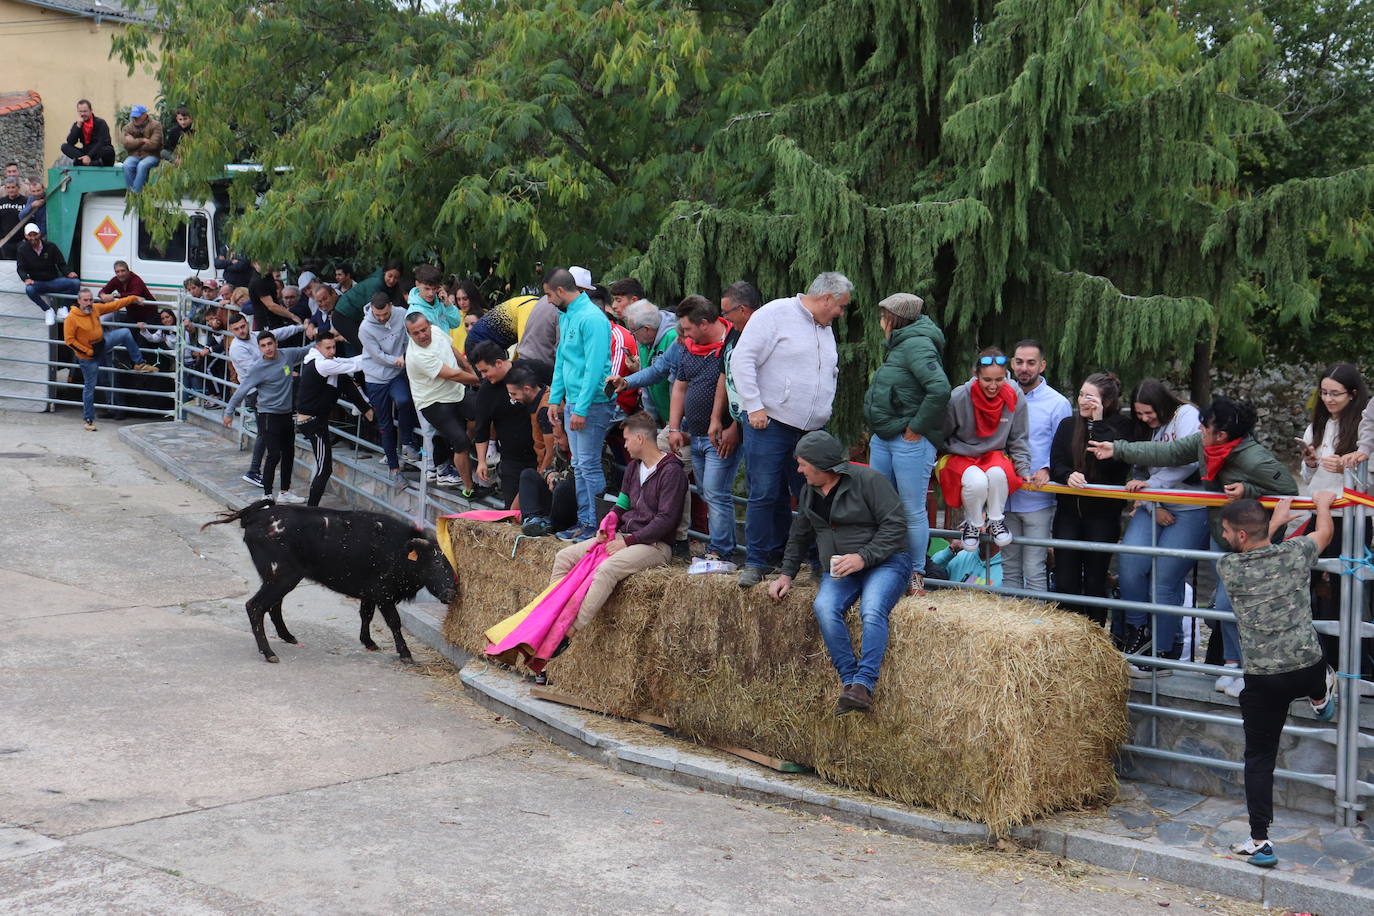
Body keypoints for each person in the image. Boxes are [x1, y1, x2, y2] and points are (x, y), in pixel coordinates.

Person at [1089, 397, 1299, 696]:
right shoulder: (1204, 445)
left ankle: (1247, 670)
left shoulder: (1255, 459)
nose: (1199, 428)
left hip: (1252, 542)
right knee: (1224, 606)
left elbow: (1289, 490)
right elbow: (1168, 451)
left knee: (1231, 604)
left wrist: (1248, 491)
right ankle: (1230, 665)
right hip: (1222, 532)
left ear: (1222, 434)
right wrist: (1118, 449)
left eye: (1205, 425)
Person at [1218, 493, 1339, 870]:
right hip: (1307, 668)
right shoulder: (1296, 553)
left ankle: (1260, 842)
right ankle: (1320, 696)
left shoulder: (1229, 568)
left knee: (1259, 759)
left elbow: (1253, 545)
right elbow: (1324, 532)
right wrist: (1321, 503)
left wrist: (1276, 521)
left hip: (1264, 681)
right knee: (1319, 667)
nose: (1223, 537)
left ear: (1238, 535)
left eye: (1225, 531)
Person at [767, 431, 909, 715]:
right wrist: (786, 575)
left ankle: (864, 683)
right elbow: (800, 534)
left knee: (872, 609)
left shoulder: (869, 481)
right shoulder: (809, 491)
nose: (798, 469)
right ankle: (850, 684)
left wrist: (863, 557)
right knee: (824, 605)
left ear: (821, 466)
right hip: (841, 569)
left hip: (886, 563)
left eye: (803, 464)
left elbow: (896, 527)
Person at [731, 272, 847, 587]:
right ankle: (756, 561)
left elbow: (828, 372)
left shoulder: (825, 328)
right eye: (839, 307)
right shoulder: (774, 314)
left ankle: (815, 561)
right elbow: (742, 359)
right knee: (765, 492)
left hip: (810, 429)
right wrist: (753, 405)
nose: (840, 313)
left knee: (811, 495)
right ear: (826, 299)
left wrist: (825, 409)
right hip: (769, 422)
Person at [546, 411, 687, 631]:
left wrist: (627, 542)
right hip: (625, 536)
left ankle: (568, 630)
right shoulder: (633, 467)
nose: (625, 445)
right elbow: (622, 503)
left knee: (607, 570)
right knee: (563, 557)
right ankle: (552, 612)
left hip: (655, 545)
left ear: (640, 438)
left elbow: (666, 520)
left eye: (627, 439)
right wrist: (610, 519)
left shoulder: (672, 472)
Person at [861, 292, 951, 596]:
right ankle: (884, 567)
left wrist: (916, 428)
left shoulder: (917, 344)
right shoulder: (901, 344)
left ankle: (915, 574)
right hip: (886, 437)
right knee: (879, 506)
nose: (879, 321)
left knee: (912, 510)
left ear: (893, 318)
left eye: (882, 315)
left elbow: (939, 389)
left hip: (907, 440)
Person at [1117, 379, 1206, 672]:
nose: (1144, 419)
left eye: (1149, 413)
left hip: (1190, 505)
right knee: (1130, 561)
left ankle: (1164, 648)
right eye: (1139, 414)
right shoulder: (1145, 426)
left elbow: (1188, 460)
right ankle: (1136, 630)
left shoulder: (1187, 416)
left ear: (1163, 404)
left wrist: (1153, 488)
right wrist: (1152, 502)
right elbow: (1140, 465)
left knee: (1164, 579)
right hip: (1153, 502)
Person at [1298, 363, 1372, 671]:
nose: (1328, 399)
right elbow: (1308, 475)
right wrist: (1311, 461)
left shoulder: (1364, 427)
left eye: (1336, 394)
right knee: (1313, 583)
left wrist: (1346, 466)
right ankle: (1320, 663)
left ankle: (1354, 665)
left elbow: (1367, 479)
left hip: (1351, 515)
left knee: (1346, 589)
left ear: (1353, 394)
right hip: (1319, 510)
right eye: (1324, 392)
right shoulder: (1320, 424)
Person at [1048, 372, 1134, 626]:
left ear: (1106, 402)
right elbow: (1056, 463)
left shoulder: (1122, 427)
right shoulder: (1067, 425)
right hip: (1068, 514)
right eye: (1081, 394)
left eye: (1090, 397)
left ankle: (1095, 637)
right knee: (1065, 579)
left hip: (1103, 516)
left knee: (1096, 580)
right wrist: (1067, 476)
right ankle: (1068, 636)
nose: (1083, 401)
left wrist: (1097, 424)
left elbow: (1114, 467)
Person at [661, 295, 739, 562]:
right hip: (695, 435)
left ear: (704, 323)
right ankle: (721, 548)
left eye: (688, 328)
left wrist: (733, 427)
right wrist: (674, 428)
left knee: (716, 492)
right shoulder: (689, 348)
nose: (685, 334)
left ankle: (720, 551)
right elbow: (679, 387)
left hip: (720, 435)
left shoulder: (731, 343)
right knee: (707, 492)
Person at [545, 267, 616, 542]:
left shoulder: (592, 319)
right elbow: (562, 359)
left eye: (550, 295)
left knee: (588, 464)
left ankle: (596, 525)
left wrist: (583, 408)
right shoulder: (567, 316)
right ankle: (586, 521)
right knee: (581, 465)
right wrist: (555, 399)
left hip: (592, 402)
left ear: (562, 291)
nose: (549, 301)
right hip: (575, 400)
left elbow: (595, 368)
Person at [939, 347, 1032, 550]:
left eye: (999, 380)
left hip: (994, 454)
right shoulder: (959, 397)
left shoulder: (1014, 394)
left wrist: (1024, 467)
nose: (993, 386)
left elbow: (1019, 436)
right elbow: (942, 433)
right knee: (977, 482)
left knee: (998, 474)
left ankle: (996, 520)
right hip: (962, 454)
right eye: (987, 380)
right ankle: (973, 522)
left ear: (1006, 376)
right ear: (976, 375)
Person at [1002, 340, 1072, 592]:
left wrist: (1049, 468)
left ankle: (1035, 628)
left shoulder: (1057, 403)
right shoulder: (1001, 396)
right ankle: (1009, 628)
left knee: (1033, 568)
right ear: (1012, 363)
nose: (1024, 368)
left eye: (1031, 363)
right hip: (1005, 496)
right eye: (1019, 362)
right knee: (1008, 566)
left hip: (1037, 499)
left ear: (1042, 365)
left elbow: (1066, 447)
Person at [223, 333, 312, 503]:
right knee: (274, 454)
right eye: (263, 346)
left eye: (270, 344)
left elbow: (307, 349)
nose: (268, 348)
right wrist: (229, 412)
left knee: (288, 453)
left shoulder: (288, 355)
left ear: (276, 343)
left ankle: (285, 492)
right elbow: (241, 390)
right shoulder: (258, 368)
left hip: (286, 414)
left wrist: (329, 336)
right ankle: (267, 495)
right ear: (259, 348)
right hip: (267, 415)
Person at [403, 312, 482, 497]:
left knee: (485, 412)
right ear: (409, 334)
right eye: (416, 333)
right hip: (433, 401)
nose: (422, 335)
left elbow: (453, 350)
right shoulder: (416, 356)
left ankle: (450, 444)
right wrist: (479, 379)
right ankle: (470, 489)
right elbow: (451, 374)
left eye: (424, 329)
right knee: (461, 441)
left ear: (430, 325)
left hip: (456, 392)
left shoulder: (437, 331)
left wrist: (469, 368)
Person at [469, 339, 553, 507]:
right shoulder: (486, 391)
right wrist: (482, 461)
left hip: (543, 455)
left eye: (485, 371)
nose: (483, 376)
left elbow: (558, 386)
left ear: (499, 363)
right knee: (513, 512)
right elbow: (481, 429)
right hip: (513, 461)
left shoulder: (533, 369)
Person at [62, 289, 158, 430]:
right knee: (90, 387)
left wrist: (132, 298)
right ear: (79, 301)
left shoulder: (95, 308)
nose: (89, 303)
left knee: (125, 333)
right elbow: (69, 341)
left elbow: (114, 305)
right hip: (88, 357)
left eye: (90, 299)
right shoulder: (72, 318)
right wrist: (89, 352)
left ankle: (139, 363)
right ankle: (88, 420)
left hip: (101, 344)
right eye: (85, 300)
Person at [295, 333, 373, 506]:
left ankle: (364, 407)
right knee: (324, 469)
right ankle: (311, 509)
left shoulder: (317, 360)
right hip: (312, 423)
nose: (331, 351)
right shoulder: (322, 364)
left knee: (343, 378)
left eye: (333, 347)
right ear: (318, 348)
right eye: (327, 348)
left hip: (316, 420)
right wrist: (375, 354)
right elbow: (354, 364)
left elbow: (346, 364)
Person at [359, 291, 423, 484]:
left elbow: (407, 338)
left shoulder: (402, 313)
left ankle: (407, 441)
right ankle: (395, 470)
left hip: (397, 373)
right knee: (385, 425)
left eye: (385, 314)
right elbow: (377, 355)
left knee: (404, 400)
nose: (381, 318)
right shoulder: (365, 328)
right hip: (376, 377)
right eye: (377, 315)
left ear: (390, 307)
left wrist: (406, 355)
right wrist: (398, 360)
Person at [507, 363, 578, 536]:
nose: (557, 441)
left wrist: (556, 478)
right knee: (528, 474)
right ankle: (533, 519)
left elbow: (578, 478)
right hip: (554, 489)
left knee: (562, 488)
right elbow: (550, 467)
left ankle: (554, 525)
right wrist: (550, 475)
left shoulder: (581, 449)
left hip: (569, 503)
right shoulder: (561, 448)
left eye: (559, 437)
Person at [707, 280, 763, 469]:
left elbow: (759, 385)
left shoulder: (764, 334)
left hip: (757, 425)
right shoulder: (734, 333)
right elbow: (725, 375)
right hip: (737, 422)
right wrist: (715, 418)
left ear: (742, 310)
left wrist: (735, 428)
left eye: (726, 312)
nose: (724, 318)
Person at [615, 299, 678, 421]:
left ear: (647, 329)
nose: (632, 334)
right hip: (659, 415)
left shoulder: (674, 338)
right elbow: (647, 377)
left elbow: (663, 375)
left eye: (633, 330)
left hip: (677, 418)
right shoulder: (642, 340)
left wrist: (674, 425)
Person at [15, 225, 81, 326]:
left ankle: (64, 308)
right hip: (37, 282)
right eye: (30, 235)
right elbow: (20, 268)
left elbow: (61, 263)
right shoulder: (22, 250)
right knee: (29, 289)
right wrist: (26, 279)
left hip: (53, 281)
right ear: (26, 236)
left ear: (39, 234)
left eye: (35, 234)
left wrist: (68, 273)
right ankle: (47, 310)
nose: (33, 238)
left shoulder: (51, 246)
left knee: (76, 283)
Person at [406, 264, 461, 334]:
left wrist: (448, 305)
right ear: (417, 284)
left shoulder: (442, 302)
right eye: (427, 289)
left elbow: (456, 323)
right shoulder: (414, 312)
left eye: (434, 288)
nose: (431, 293)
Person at [61, 100, 116, 167]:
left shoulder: (100, 122)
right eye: (80, 111)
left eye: (85, 111)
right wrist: (78, 126)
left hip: (98, 151)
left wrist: (89, 156)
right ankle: (88, 162)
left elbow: (102, 142)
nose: (82, 114)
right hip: (85, 152)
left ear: (91, 110)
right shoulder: (78, 124)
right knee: (64, 147)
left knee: (109, 150)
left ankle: (87, 162)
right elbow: (70, 142)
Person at [121, 105, 163, 192]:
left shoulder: (156, 125)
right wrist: (142, 140)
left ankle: (135, 194)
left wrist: (134, 142)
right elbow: (126, 145)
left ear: (145, 115)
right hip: (135, 155)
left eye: (137, 116)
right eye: (133, 117)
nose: (135, 119)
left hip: (152, 155)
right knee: (126, 165)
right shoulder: (128, 127)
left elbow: (154, 145)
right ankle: (131, 193)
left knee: (142, 165)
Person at [249, 263, 299, 331]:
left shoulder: (268, 275)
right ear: (254, 264)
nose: (269, 264)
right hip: (266, 323)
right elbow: (271, 306)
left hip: (275, 319)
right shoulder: (258, 281)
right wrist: (292, 316)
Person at [0, 178, 30, 259]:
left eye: (13, 187)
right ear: (5, 188)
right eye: (8, 187)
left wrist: (26, 238)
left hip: (22, 241)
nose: (11, 190)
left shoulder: (26, 201)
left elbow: (30, 220)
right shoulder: (1, 201)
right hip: (5, 241)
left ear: (18, 188)